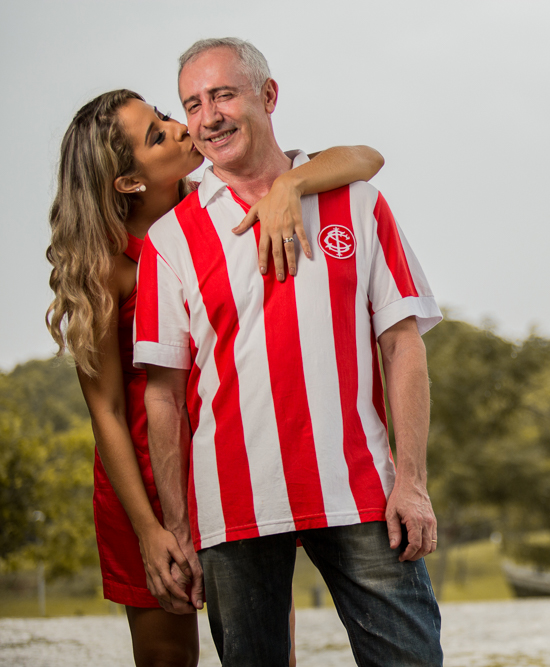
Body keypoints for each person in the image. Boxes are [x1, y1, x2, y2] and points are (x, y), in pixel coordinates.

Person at [45, 87, 385, 667]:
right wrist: (152, 530)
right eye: (157, 135)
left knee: (266, 651)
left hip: (233, 467)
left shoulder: (222, 203)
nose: (182, 128)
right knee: (167, 658)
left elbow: (364, 159)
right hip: (146, 487)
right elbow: (104, 410)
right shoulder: (107, 267)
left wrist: (289, 185)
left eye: (165, 117)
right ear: (128, 181)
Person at [134, 37, 444, 666]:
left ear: (268, 96)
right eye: (192, 104)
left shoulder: (356, 200)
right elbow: (163, 395)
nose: (209, 116)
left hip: (361, 493)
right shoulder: (171, 239)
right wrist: (176, 524)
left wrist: (411, 482)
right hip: (233, 507)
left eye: (224, 94)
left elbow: (402, 345)